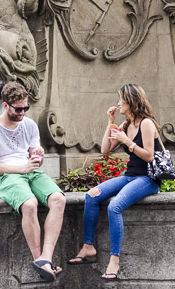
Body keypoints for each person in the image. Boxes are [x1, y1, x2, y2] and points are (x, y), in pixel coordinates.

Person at [67, 83, 161, 280]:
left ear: (131, 101)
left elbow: (150, 156)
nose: (118, 104)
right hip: (130, 176)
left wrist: (127, 141)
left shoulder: (146, 123)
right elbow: (105, 149)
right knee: (91, 195)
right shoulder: (126, 124)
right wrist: (110, 122)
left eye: (121, 100)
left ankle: (114, 260)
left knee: (114, 206)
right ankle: (88, 246)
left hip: (148, 179)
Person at [0, 81, 66, 282]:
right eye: (18, 109)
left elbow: (34, 155)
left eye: (25, 108)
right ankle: (40, 262)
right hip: (4, 177)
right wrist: (23, 168)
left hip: (29, 172)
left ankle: (46, 257)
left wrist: (38, 156)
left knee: (59, 199)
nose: (22, 112)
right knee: (29, 204)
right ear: (5, 106)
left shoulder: (28, 124)